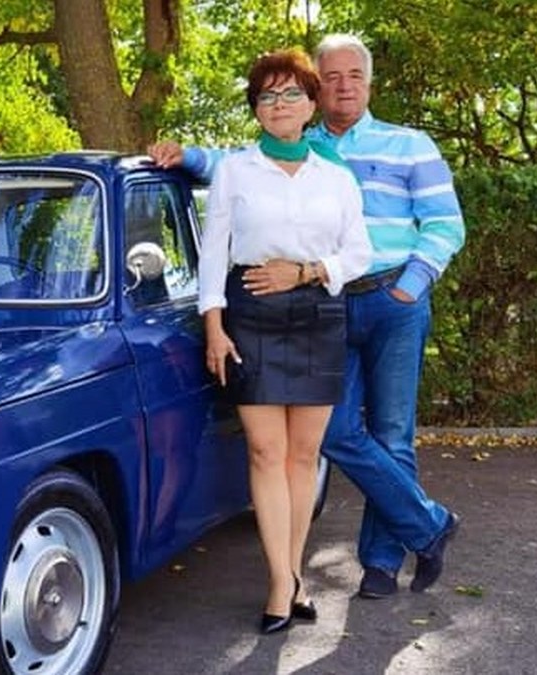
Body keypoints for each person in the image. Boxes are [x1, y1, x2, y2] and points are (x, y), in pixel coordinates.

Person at [149, 33, 464, 600]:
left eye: (354, 76)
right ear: (319, 89)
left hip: (391, 300)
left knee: (392, 434)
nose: (344, 86)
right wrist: (184, 155)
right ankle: (428, 525)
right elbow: (234, 166)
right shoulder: (304, 139)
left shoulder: (408, 144)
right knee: (337, 432)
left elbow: (445, 224)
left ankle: (380, 563)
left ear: (369, 83)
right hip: (327, 305)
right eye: (333, 76)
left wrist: (409, 287)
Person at [198, 48, 372, 634]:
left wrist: (305, 272)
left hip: (319, 314)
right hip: (250, 315)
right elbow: (212, 254)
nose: (279, 104)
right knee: (265, 453)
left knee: (303, 456)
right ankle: (280, 582)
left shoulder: (336, 177)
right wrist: (214, 326)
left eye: (291, 93)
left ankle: (294, 574)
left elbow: (358, 253)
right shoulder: (234, 171)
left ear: (310, 104)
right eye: (267, 96)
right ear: (256, 109)